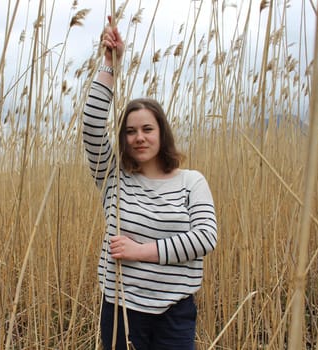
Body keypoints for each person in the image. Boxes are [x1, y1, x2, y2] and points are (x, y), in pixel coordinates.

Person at [82, 17, 218, 350]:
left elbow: (205, 237)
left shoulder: (191, 181)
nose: (139, 137)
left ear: (162, 133)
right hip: (121, 310)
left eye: (147, 129)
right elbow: (91, 126)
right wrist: (109, 66)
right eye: (130, 131)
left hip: (175, 311)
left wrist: (140, 251)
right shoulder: (114, 178)